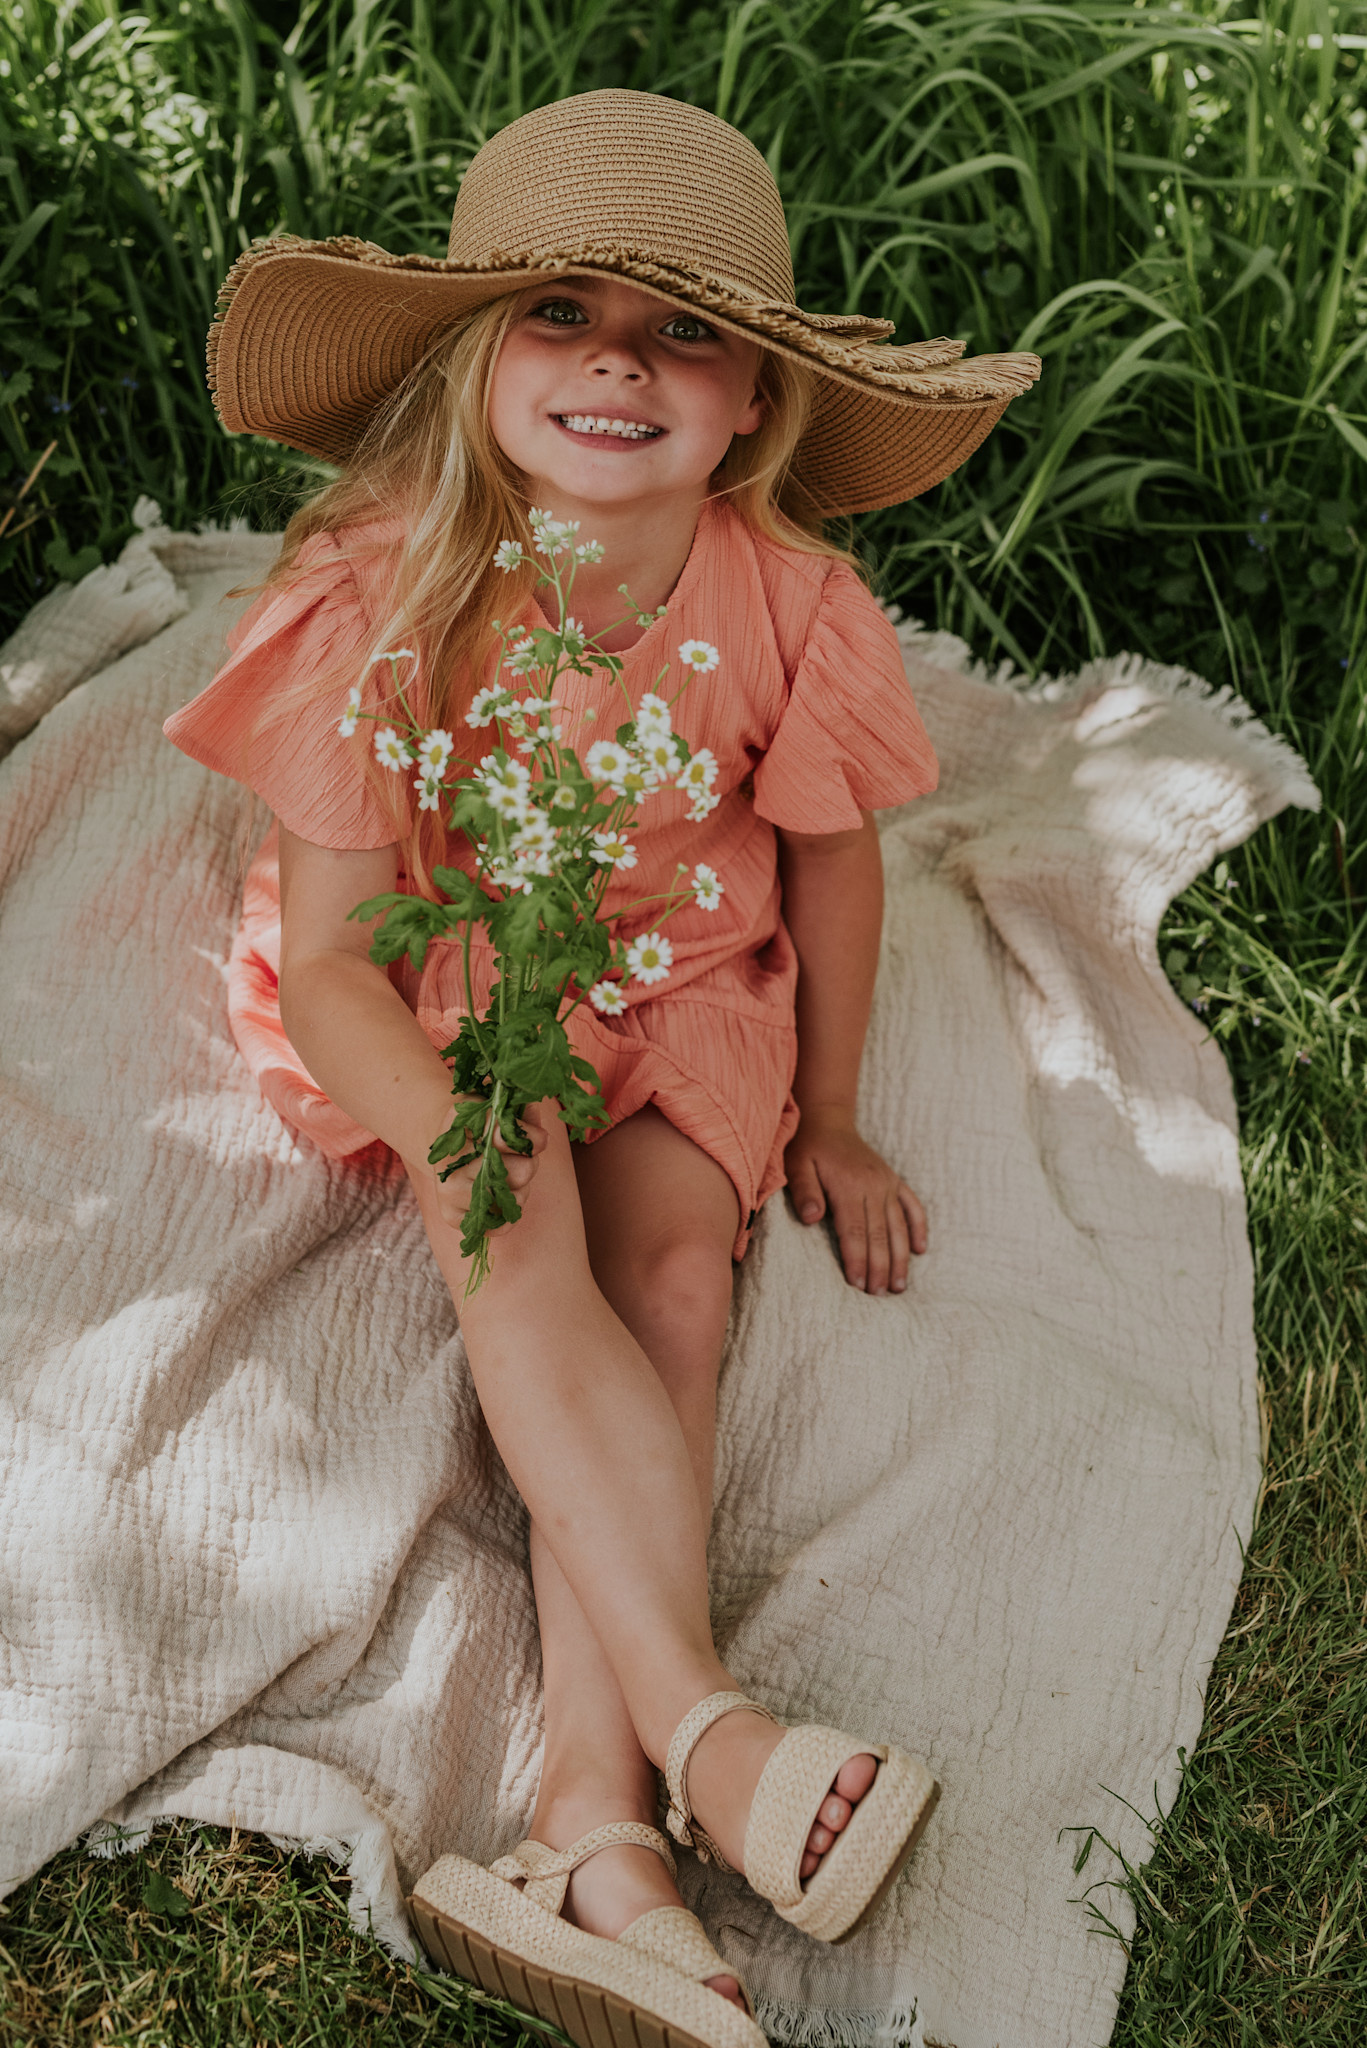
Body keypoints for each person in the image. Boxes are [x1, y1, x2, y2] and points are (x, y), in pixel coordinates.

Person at [165, 88, 1039, 2048]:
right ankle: (703, 1751)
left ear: (751, 410)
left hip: (685, 982)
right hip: (446, 981)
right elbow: (325, 957)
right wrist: (448, 1121)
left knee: (675, 1283)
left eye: (683, 333)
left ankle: (593, 1835)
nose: (616, 365)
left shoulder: (789, 604)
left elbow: (828, 850)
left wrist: (821, 1105)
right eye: (558, 314)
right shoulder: (389, 593)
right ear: (479, 365)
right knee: (524, 1237)